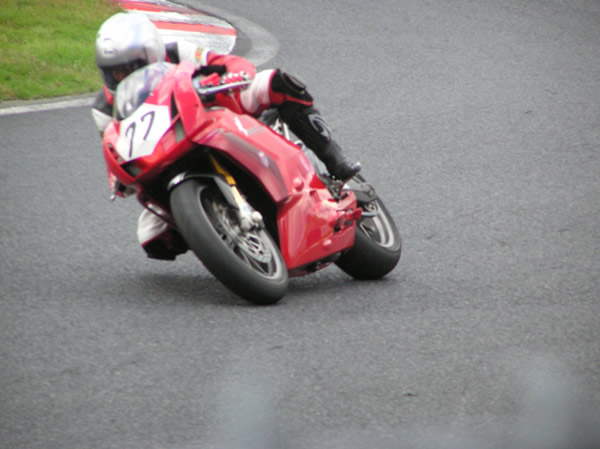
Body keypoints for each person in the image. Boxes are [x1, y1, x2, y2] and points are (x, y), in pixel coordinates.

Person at [92, 12, 360, 260]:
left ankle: (333, 157)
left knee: (276, 83)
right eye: (113, 72)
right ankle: (218, 227)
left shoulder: (177, 52)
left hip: (213, 111)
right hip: (163, 152)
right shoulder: (104, 108)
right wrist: (118, 178)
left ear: (152, 53)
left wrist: (232, 76)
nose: (121, 78)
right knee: (152, 239)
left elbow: (227, 63)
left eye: (129, 68)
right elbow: (116, 145)